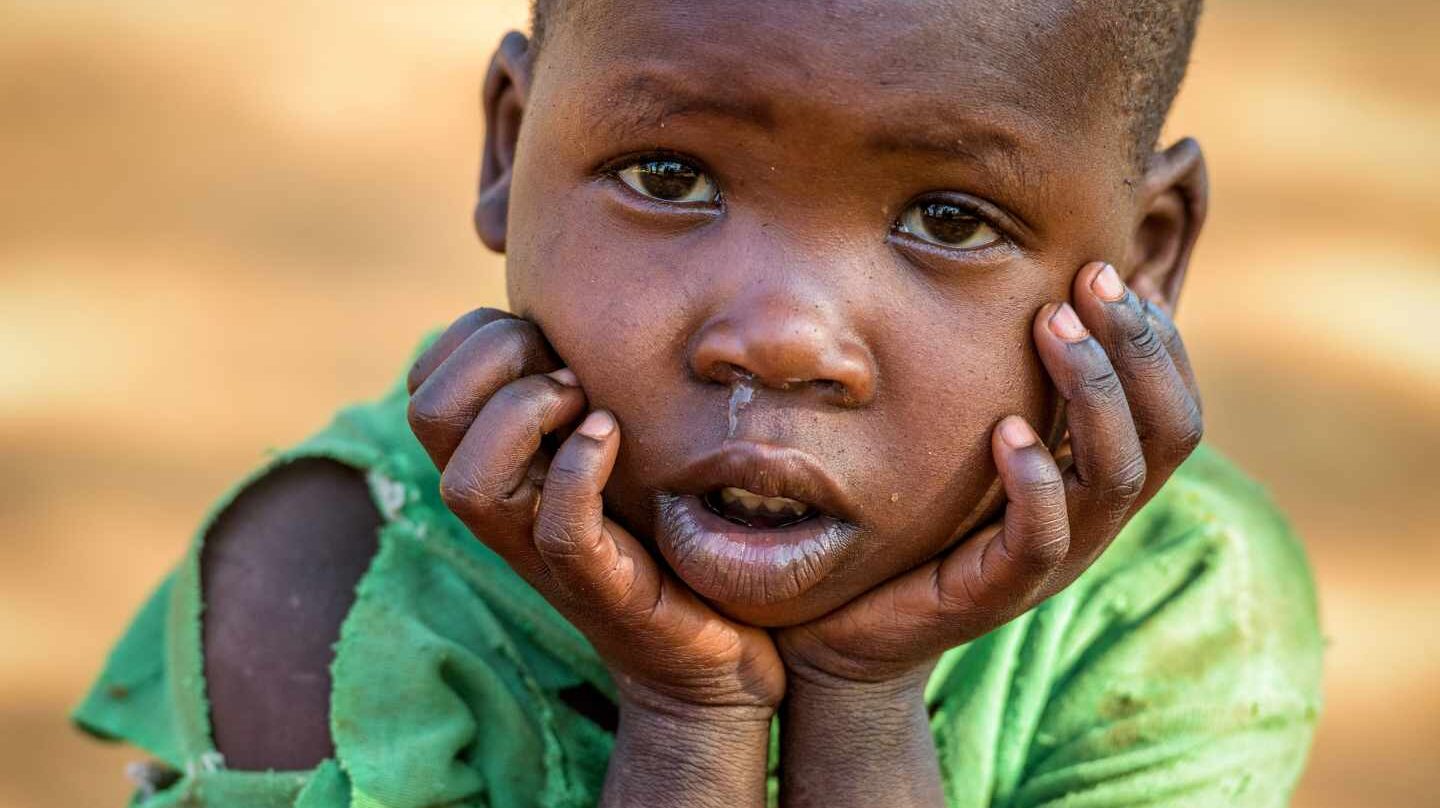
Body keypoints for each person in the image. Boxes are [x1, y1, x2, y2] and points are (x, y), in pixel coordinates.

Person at [74, 1, 1324, 805]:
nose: (778, 340)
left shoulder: (1176, 600)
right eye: (668, 176)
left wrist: (865, 696)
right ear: (510, 149)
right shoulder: (331, 585)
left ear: (1147, 256)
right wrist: (688, 722)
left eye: (949, 219)